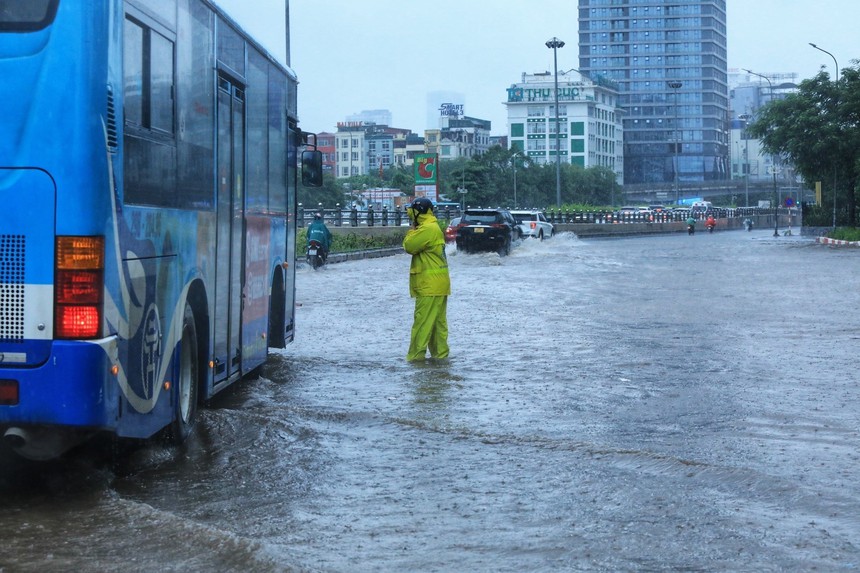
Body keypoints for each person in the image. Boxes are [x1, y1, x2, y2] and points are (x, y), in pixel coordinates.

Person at [403, 197, 450, 362]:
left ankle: (415, 359)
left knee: (422, 324)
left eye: (412, 213)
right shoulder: (433, 226)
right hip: (439, 284)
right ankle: (441, 359)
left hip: (429, 286)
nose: (410, 215)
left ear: (418, 213)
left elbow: (409, 246)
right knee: (437, 325)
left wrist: (412, 230)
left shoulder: (427, 229)